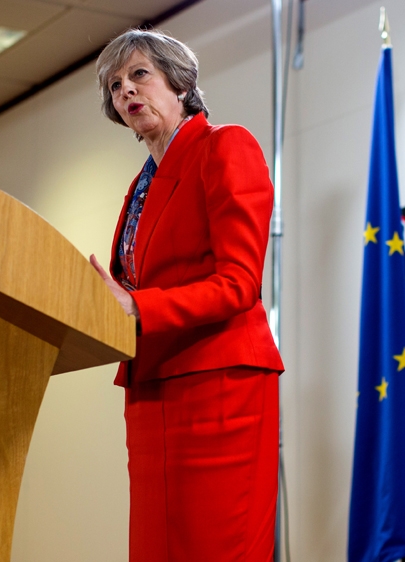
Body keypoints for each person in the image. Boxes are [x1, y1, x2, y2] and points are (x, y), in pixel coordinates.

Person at [88, 29, 284, 561]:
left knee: (214, 545)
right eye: (114, 86)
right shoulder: (140, 185)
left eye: (139, 75)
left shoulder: (224, 145)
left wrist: (137, 306)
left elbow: (239, 283)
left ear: (179, 83)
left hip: (216, 386)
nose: (126, 90)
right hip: (151, 391)